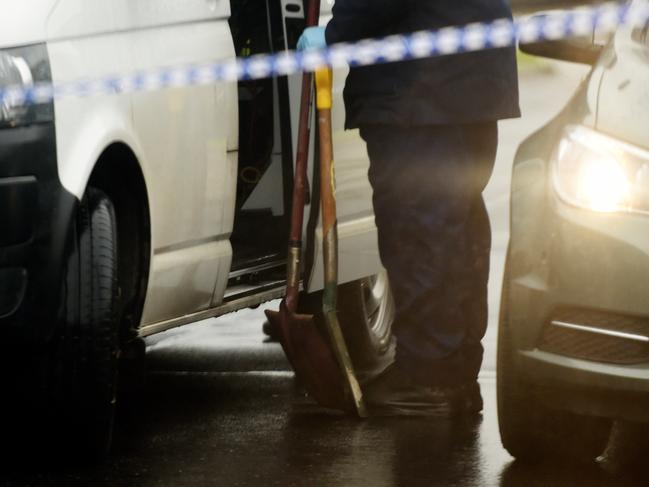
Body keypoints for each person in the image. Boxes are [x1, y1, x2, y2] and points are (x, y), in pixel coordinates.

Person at [297, 0, 520, 416]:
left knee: (419, 228)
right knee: (456, 224)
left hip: (422, 83)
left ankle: (428, 377)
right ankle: (453, 373)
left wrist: (332, 37)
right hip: (462, 75)